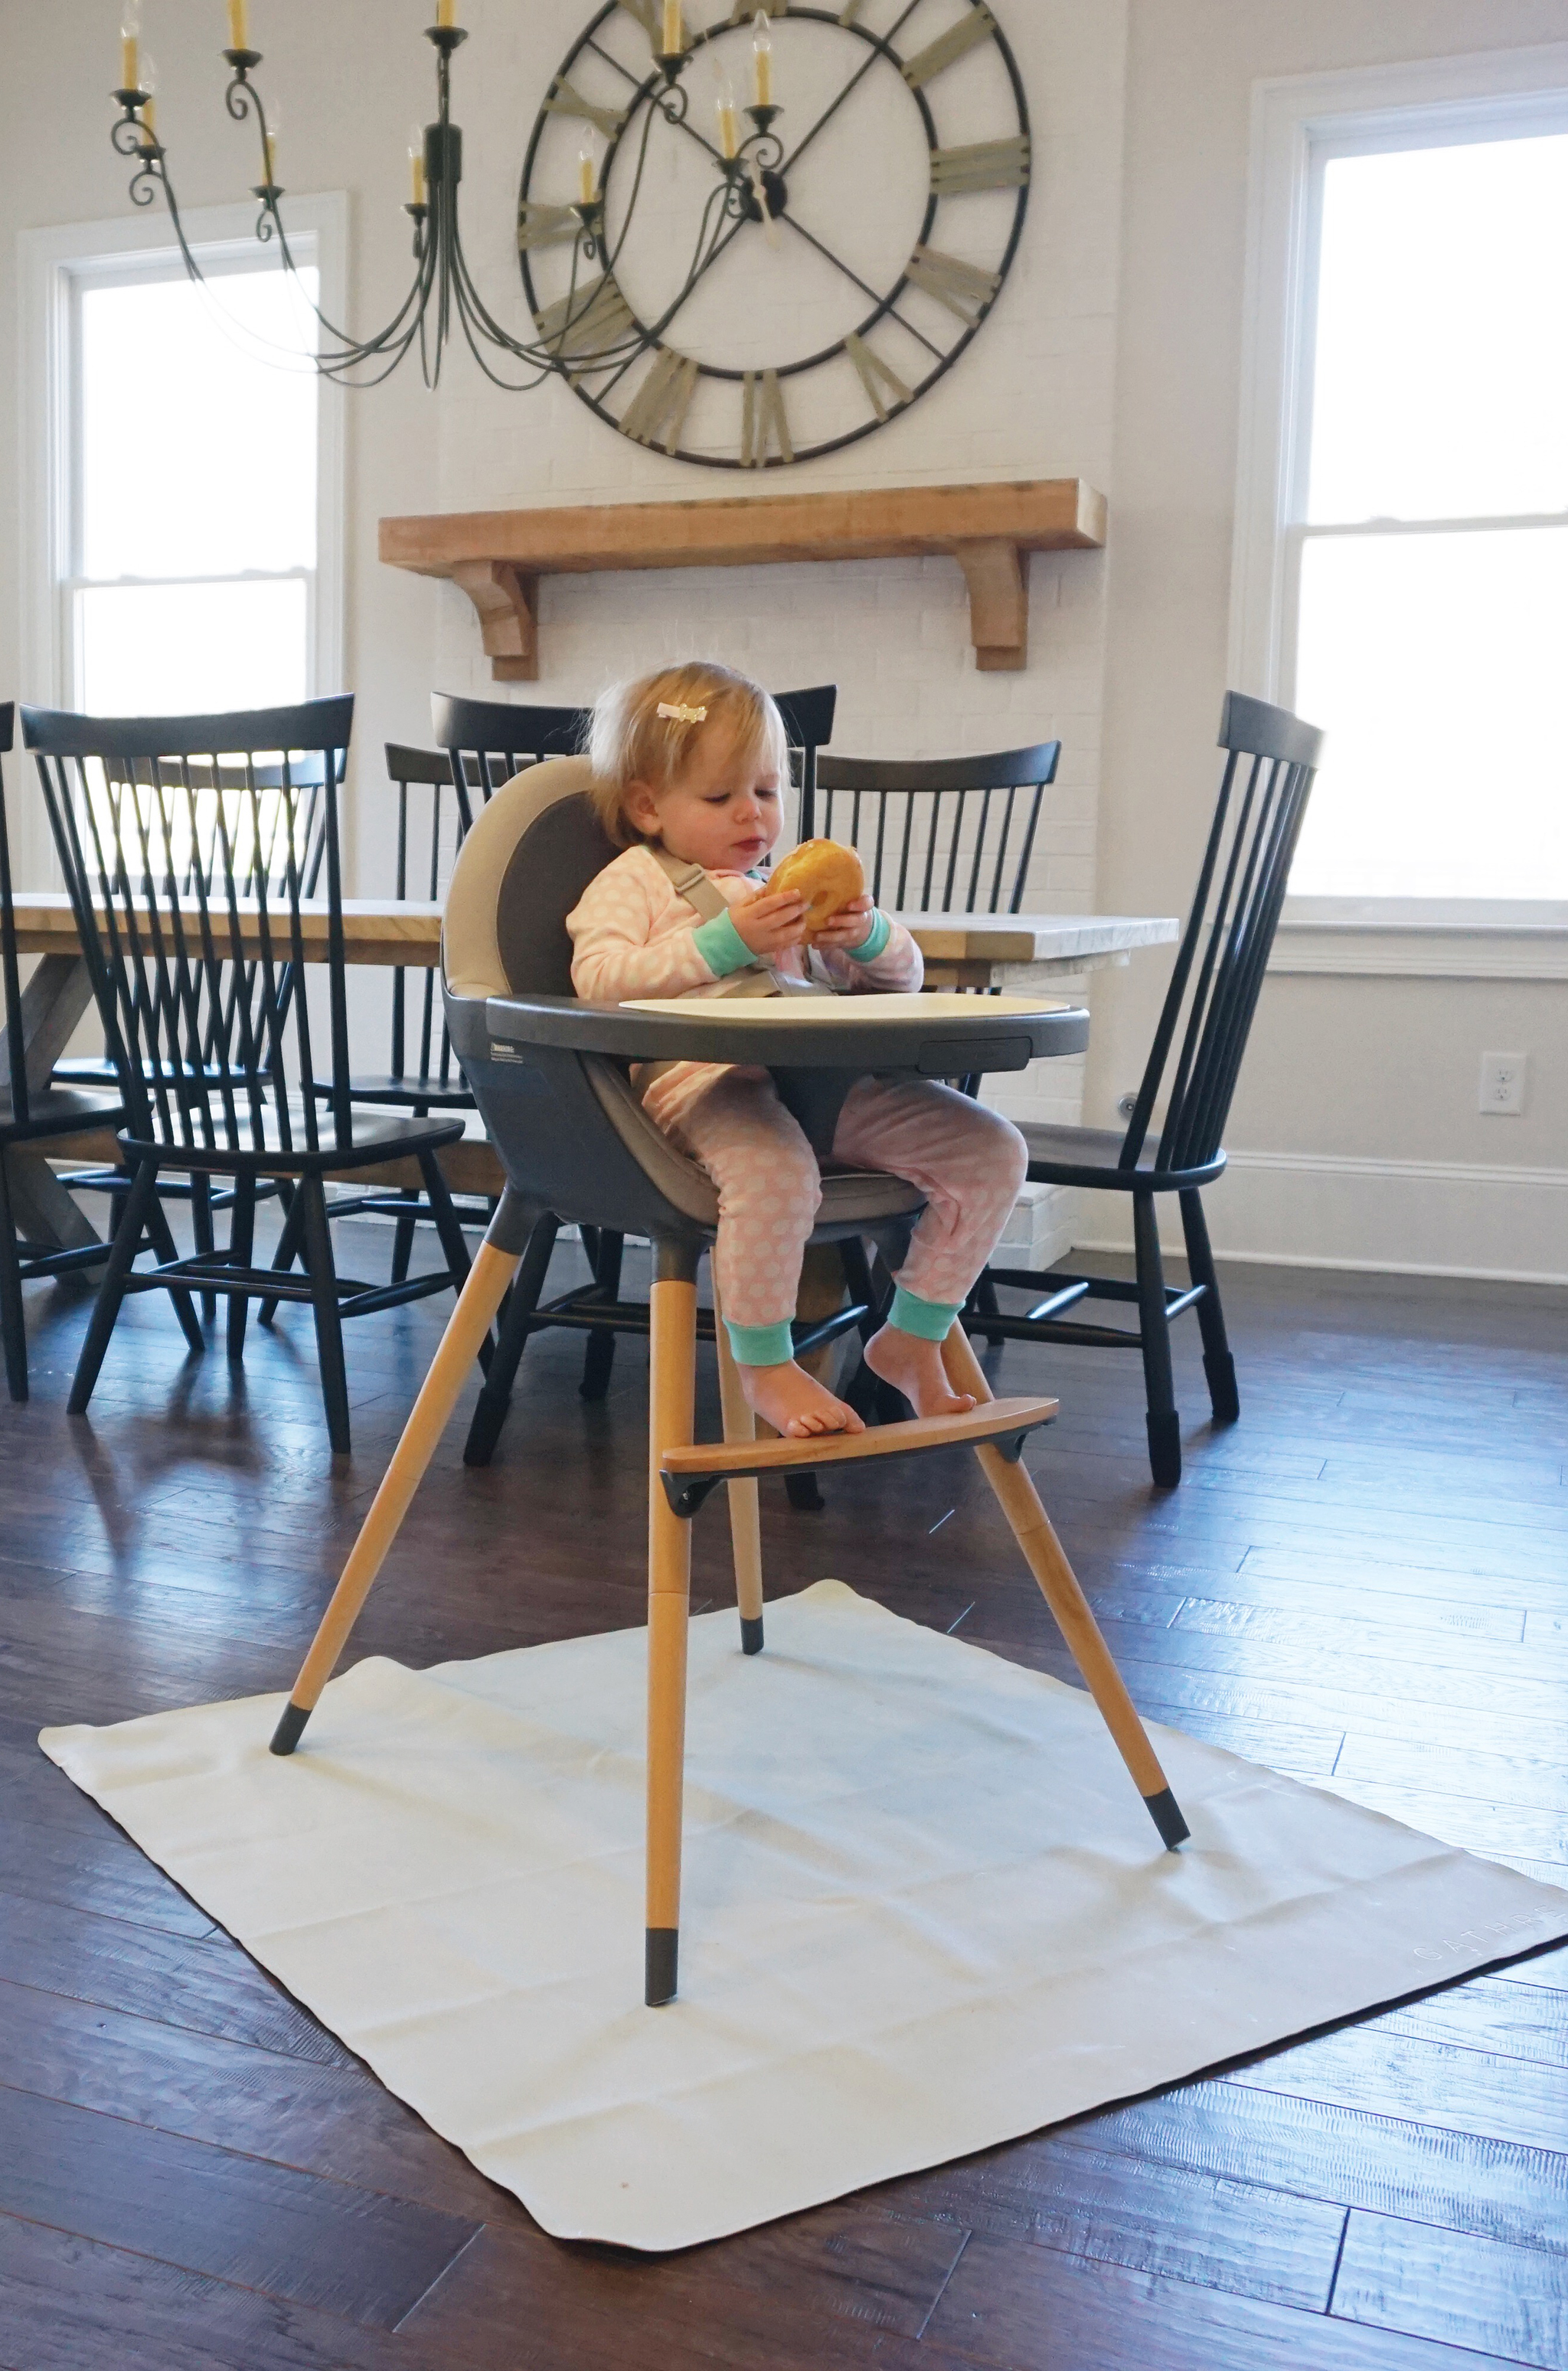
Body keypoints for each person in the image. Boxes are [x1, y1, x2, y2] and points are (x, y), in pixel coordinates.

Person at [567, 659, 1028, 1440]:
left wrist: (868, 935)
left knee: (991, 1151)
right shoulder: (635, 882)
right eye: (719, 797)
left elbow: (898, 985)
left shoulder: (779, 887)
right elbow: (599, 982)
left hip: (822, 1086)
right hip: (705, 1085)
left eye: (766, 791)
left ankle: (909, 1340)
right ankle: (765, 1363)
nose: (751, 814)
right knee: (773, 1173)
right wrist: (720, 944)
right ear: (647, 806)